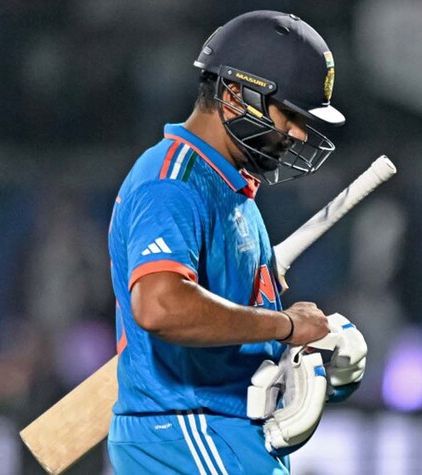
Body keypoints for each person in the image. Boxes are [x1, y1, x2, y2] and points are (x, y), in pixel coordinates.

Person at [106, 10, 358, 474]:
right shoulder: (173, 182)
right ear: (235, 93)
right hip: (188, 432)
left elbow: (232, 339)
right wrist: (283, 324)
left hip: (218, 431)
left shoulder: (227, 185)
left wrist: (309, 354)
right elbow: (159, 305)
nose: (299, 134)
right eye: (290, 115)